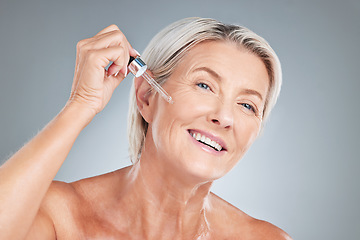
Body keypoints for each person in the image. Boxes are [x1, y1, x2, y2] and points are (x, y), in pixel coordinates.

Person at [0, 17, 292, 239]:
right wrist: (82, 103)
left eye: (247, 106)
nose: (224, 117)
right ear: (147, 95)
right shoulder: (59, 217)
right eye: (204, 85)